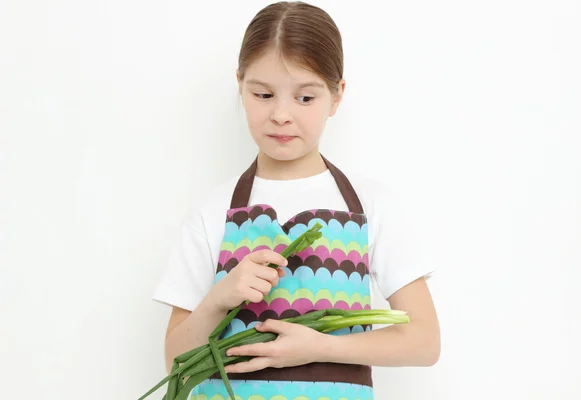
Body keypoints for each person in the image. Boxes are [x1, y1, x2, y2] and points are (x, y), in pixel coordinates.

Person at [152, 1, 440, 399]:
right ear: (241, 86)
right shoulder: (212, 211)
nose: (282, 114)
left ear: (337, 96)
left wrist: (320, 347)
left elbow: (424, 341)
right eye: (264, 94)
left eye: (305, 98)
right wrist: (220, 298)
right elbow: (174, 359)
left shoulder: (373, 205)